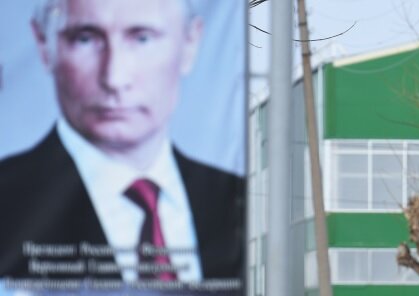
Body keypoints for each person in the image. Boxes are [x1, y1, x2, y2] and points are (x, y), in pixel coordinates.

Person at [0, 0, 245, 281]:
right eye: (85, 39)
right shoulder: (7, 202)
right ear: (44, 46)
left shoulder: (238, 202)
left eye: (142, 38)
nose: (114, 78)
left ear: (190, 42)